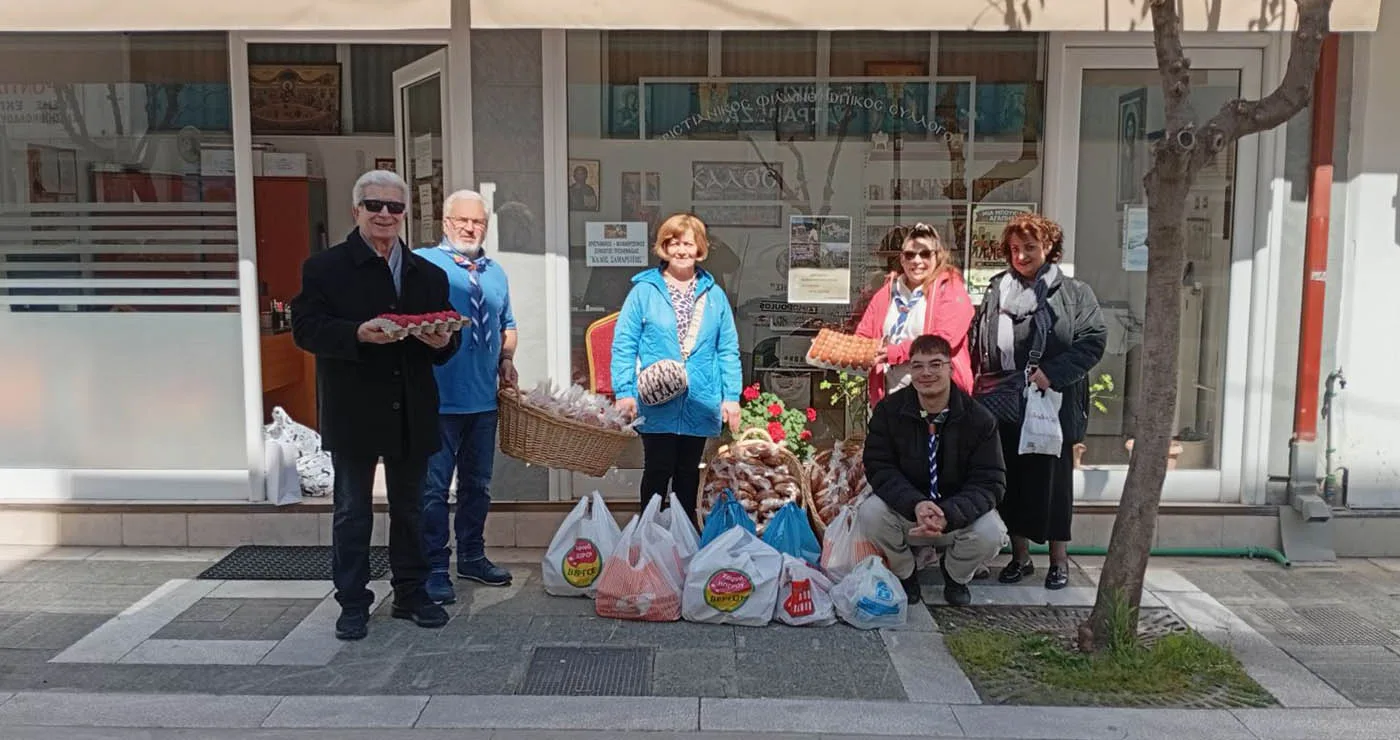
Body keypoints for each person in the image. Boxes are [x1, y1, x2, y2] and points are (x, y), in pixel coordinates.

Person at [290, 169, 459, 640]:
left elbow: (445, 345)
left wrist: (441, 343)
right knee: (351, 511)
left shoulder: (429, 274)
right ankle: (352, 601)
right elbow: (305, 329)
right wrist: (356, 334)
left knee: (413, 508)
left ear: (405, 215)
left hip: (412, 407)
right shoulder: (324, 268)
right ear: (356, 211)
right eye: (374, 205)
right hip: (354, 408)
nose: (385, 215)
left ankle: (411, 594)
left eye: (395, 207)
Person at [970, 212, 1107, 591]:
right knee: (1010, 479)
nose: (1021, 256)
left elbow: (1092, 341)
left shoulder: (1075, 293)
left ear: (1048, 248)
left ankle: (1059, 561)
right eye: (1014, 249)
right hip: (1006, 402)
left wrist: (1053, 373)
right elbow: (978, 338)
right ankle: (1020, 558)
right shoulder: (997, 289)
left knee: (1053, 483)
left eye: (1029, 247)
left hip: (1052, 402)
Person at [413, 189, 519, 605]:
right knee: (433, 490)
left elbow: (507, 323)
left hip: (483, 401)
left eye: (478, 222)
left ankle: (472, 556)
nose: (471, 228)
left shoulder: (495, 273)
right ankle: (435, 567)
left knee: (478, 486)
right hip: (437, 400)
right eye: (463, 221)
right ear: (445, 222)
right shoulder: (424, 265)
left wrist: (506, 359)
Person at [611, 213, 743, 527]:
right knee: (657, 470)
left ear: (699, 249)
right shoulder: (644, 291)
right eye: (673, 243)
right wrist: (625, 393)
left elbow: (727, 348)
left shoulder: (714, 295)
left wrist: (731, 396)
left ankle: (684, 546)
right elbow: (624, 344)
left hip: (699, 400)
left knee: (688, 475)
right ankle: (649, 539)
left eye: (688, 243)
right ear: (663, 247)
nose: (681, 250)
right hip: (657, 401)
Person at [859, 334, 1008, 607]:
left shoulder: (979, 419)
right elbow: (879, 467)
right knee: (870, 514)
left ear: (951, 368)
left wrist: (947, 515)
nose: (926, 373)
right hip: (909, 512)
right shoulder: (889, 412)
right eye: (917, 365)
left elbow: (990, 482)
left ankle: (956, 575)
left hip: (955, 515)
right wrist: (915, 504)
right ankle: (905, 573)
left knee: (992, 532)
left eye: (936, 364)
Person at [855, 222, 975, 407]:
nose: (917, 261)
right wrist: (847, 351)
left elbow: (943, 341)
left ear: (937, 257)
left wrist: (895, 352)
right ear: (902, 259)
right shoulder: (887, 291)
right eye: (910, 255)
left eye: (925, 254)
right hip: (892, 397)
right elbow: (863, 335)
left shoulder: (950, 288)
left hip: (938, 398)